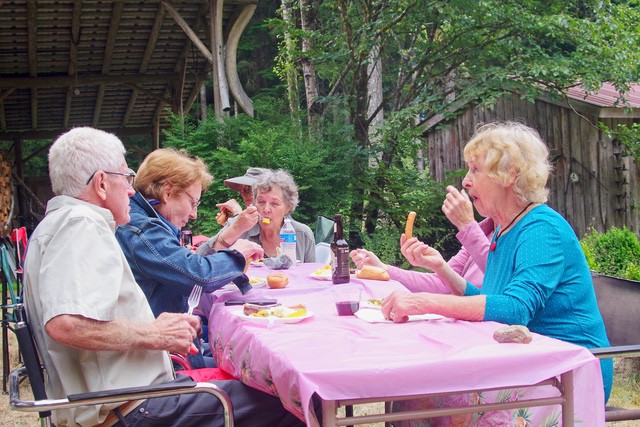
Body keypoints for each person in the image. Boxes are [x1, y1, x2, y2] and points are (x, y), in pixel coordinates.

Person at [23, 127, 307, 427]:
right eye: (126, 178)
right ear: (102, 183)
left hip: (136, 394)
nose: (133, 191)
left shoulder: (55, 224)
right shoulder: (82, 224)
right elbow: (65, 324)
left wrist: (158, 331)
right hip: (132, 408)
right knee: (288, 403)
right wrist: (155, 334)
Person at [382, 121, 613, 403]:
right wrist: (438, 274)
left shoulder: (541, 229)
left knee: (434, 395)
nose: (466, 181)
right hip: (528, 361)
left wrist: (423, 303)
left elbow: (515, 309)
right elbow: (491, 300)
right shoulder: (503, 228)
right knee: (417, 390)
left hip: (570, 374)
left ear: (509, 174)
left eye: (475, 170)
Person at [115, 148, 261, 318]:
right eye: (193, 203)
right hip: (153, 339)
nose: (194, 215)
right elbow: (199, 276)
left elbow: (187, 266)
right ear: (167, 192)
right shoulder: (144, 230)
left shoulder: (144, 220)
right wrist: (238, 254)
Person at [350, 185, 493, 294]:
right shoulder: (485, 231)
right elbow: (443, 284)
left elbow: (502, 303)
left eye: (476, 169)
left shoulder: (508, 234)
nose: (465, 182)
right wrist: (383, 269)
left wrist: (468, 227)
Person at [199, 169, 316, 263]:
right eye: (261, 202)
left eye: (274, 203)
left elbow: (313, 279)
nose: (266, 209)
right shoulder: (238, 225)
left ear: (288, 207)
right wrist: (235, 229)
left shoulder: (303, 234)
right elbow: (199, 260)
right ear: (254, 203)